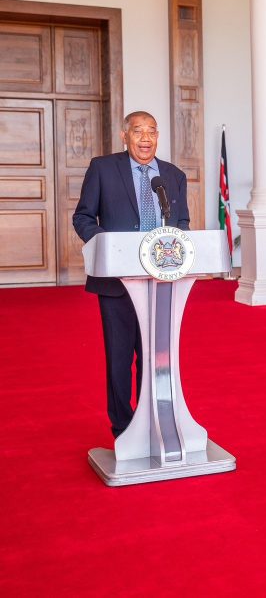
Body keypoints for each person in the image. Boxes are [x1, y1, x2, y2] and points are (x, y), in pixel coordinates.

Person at [72, 111, 190, 438]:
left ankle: (151, 422)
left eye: (152, 131)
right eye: (138, 131)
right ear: (125, 136)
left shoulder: (173, 176)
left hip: (162, 285)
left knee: (156, 359)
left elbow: (181, 224)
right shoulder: (103, 169)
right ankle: (124, 429)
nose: (145, 138)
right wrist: (107, 248)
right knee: (120, 359)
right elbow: (83, 217)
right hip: (117, 284)